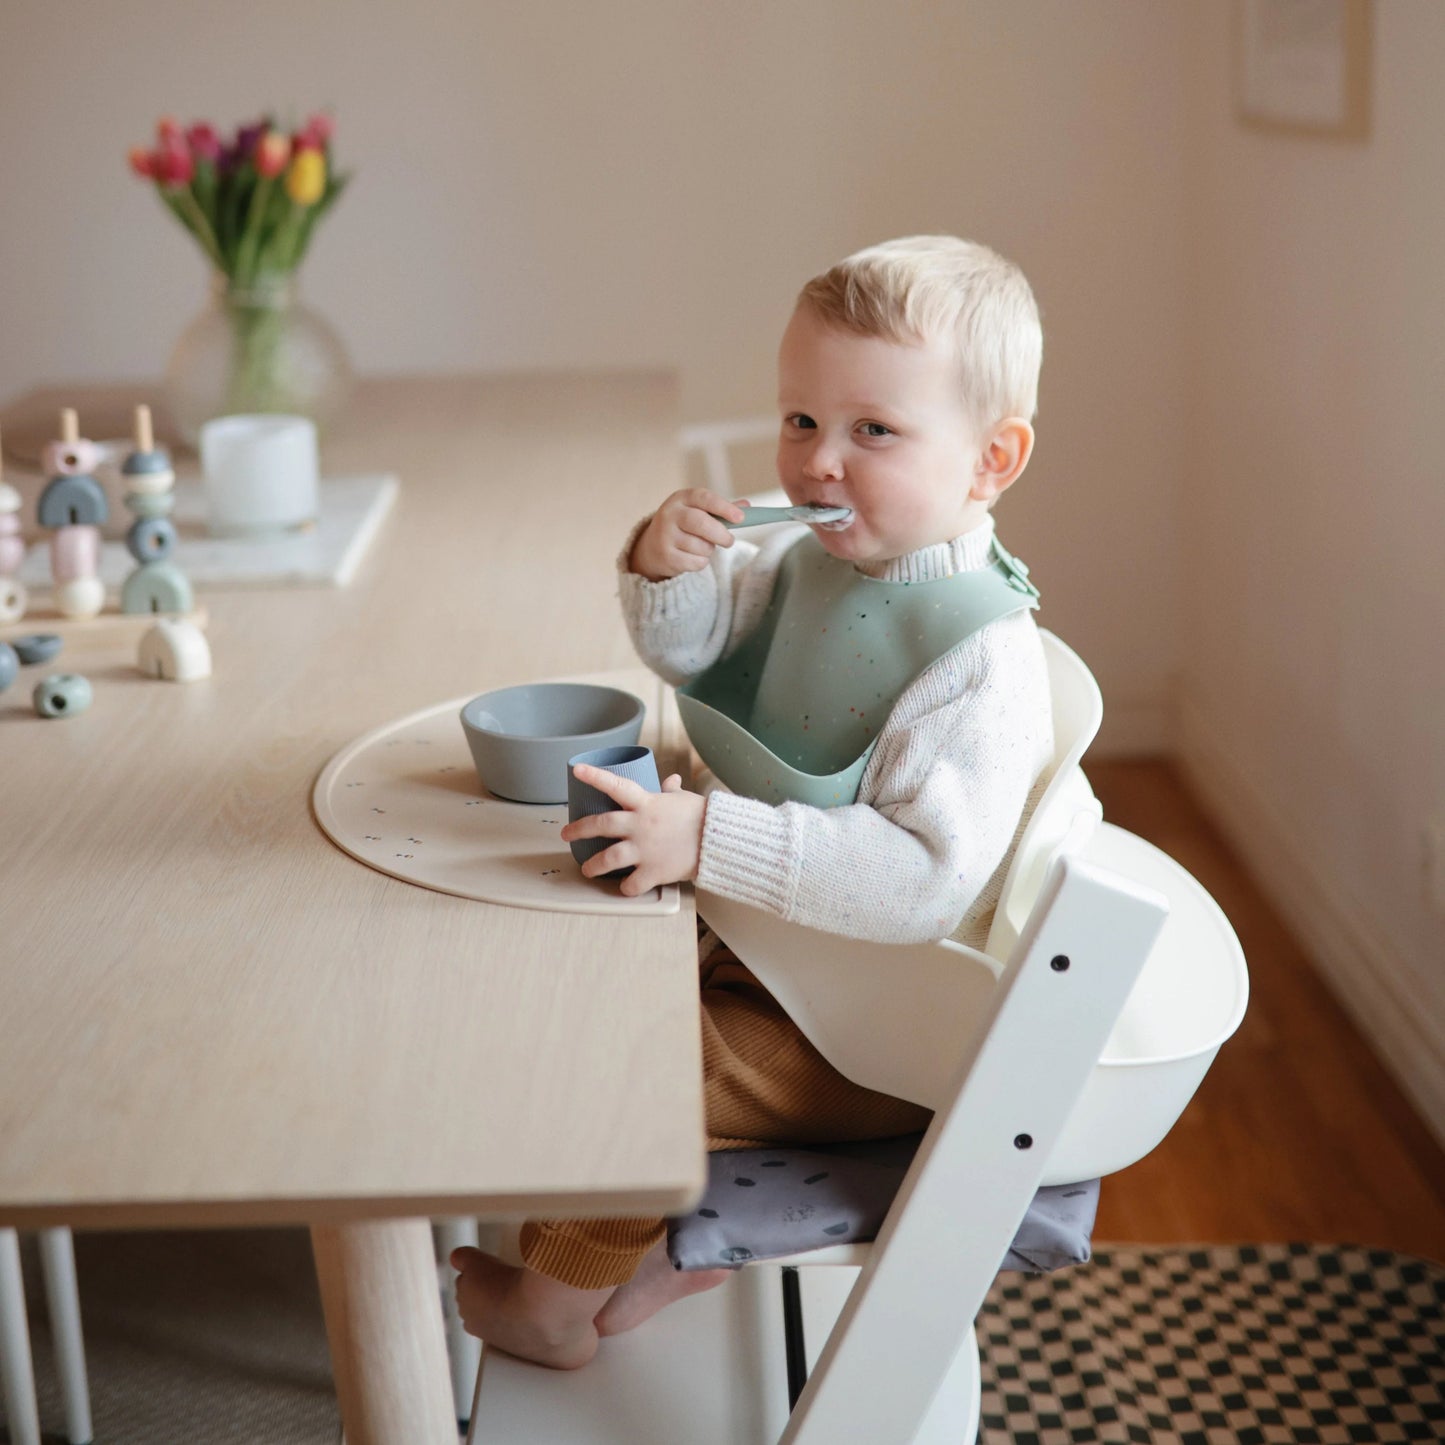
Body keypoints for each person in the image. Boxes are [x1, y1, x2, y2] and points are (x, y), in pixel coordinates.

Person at [451, 234, 1055, 1369]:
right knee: (555, 983)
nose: (818, 462)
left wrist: (704, 835)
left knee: (633, 1067)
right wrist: (664, 564)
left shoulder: (978, 661)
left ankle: (556, 1307)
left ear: (990, 460)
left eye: (872, 430)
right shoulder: (818, 561)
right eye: (799, 420)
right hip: (766, 951)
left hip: (856, 1025)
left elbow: (922, 877)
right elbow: (697, 651)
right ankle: (643, 1242)